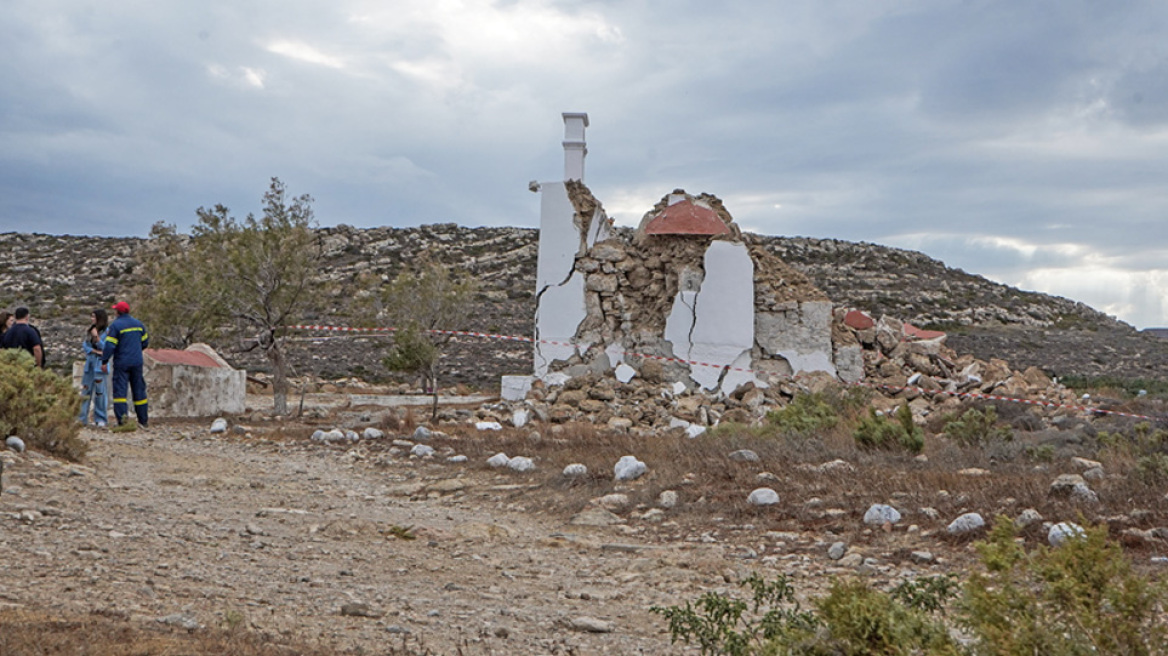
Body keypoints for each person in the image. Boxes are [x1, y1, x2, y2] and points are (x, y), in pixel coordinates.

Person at [101, 301, 150, 428]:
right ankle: (143, 420)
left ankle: (123, 421)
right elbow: (145, 342)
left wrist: (104, 360)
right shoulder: (139, 324)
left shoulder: (116, 326)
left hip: (122, 363)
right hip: (137, 362)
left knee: (120, 392)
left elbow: (110, 346)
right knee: (139, 390)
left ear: (118, 312)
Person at [78, 309, 110, 427]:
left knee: (100, 393)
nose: (92, 319)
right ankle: (81, 418)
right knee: (85, 391)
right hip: (89, 365)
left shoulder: (107, 332)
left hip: (100, 365)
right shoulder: (90, 331)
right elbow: (85, 346)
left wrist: (97, 338)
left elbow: (106, 348)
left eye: (94, 317)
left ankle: (100, 418)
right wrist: (94, 350)